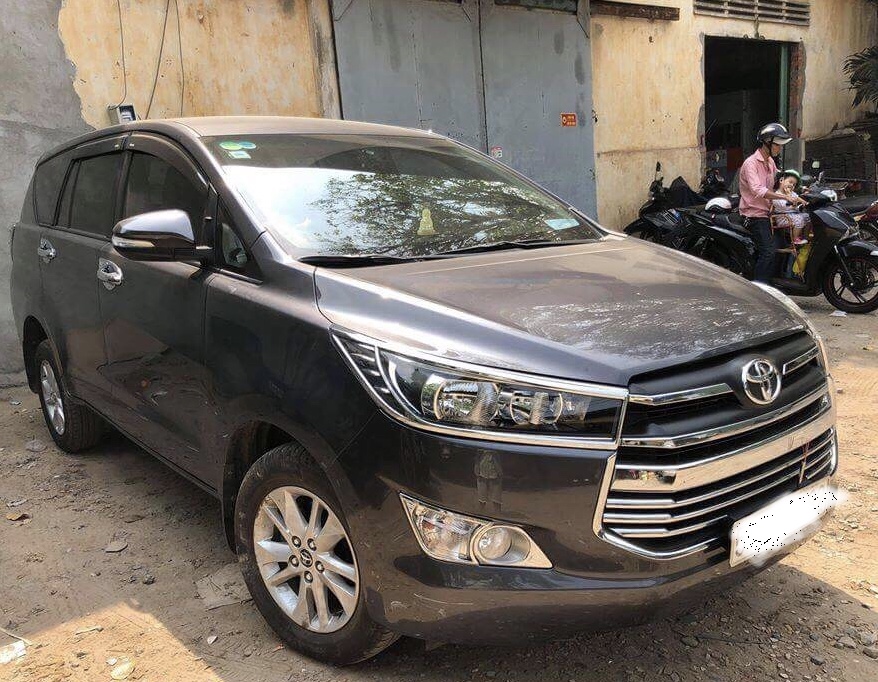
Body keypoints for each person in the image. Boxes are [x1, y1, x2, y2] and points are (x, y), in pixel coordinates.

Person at [739, 123, 806, 282]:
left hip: (770, 213)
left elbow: (780, 180)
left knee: (783, 246)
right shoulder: (751, 163)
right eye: (777, 145)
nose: (779, 148)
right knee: (768, 252)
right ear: (767, 143)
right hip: (754, 215)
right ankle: (759, 287)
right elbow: (758, 190)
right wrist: (785, 198)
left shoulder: (770, 162)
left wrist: (801, 188)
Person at [771, 170, 810, 246]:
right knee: (799, 219)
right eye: (790, 182)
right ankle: (795, 239)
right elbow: (786, 206)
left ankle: (805, 237)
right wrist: (789, 196)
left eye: (794, 184)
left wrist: (803, 202)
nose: (792, 185)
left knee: (808, 216)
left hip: (792, 214)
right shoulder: (777, 195)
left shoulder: (791, 193)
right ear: (781, 180)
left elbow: (797, 197)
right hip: (783, 217)